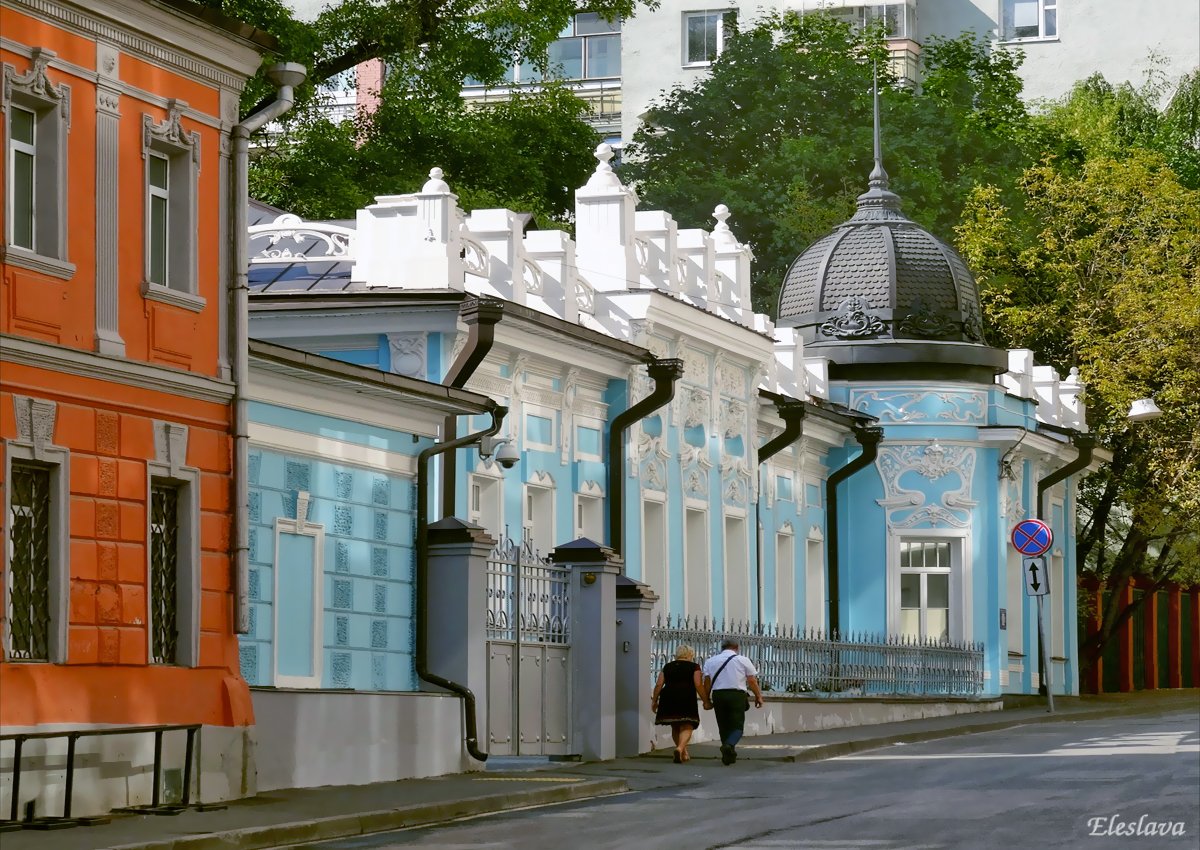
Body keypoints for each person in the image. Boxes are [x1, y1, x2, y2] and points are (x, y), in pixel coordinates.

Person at [701, 638, 764, 765]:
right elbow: (751, 681)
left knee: (723, 725)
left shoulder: (711, 661)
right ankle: (729, 745)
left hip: (718, 695)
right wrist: (758, 696)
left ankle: (728, 755)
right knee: (737, 726)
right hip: (736, 695)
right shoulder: (743, 660)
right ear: (737, 647)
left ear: (722, 648)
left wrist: (706, 699)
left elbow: (707, 683)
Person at [651, 645, 704, 763]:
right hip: (686, 696)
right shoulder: (694, 667)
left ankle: (683, 752)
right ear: (690, 654)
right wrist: (705, 699)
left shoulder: (667, 666)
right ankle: (680, 748)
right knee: (688, 724)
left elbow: (659, 684)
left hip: (668, 696)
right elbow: (698, 684)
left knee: (675, 725)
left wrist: (654, 700)